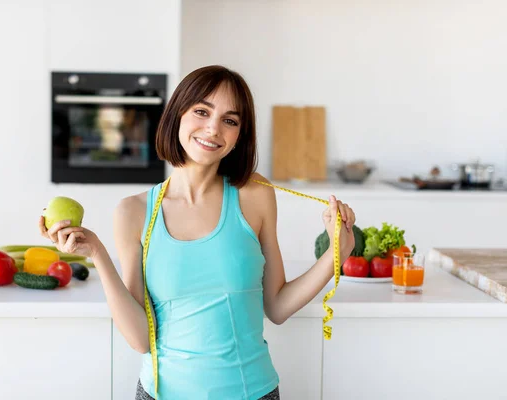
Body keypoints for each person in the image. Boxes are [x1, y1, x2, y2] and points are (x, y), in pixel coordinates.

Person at [39, 65, 356, 400]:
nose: (213, 128)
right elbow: (140, 339)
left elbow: (277, 307)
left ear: (238, 136)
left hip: (253, 393)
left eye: (230, 120)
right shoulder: (133, 212)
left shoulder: (256, 194)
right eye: (202, 111)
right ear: (177, 115)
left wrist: (336, 253)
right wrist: (98, 254)